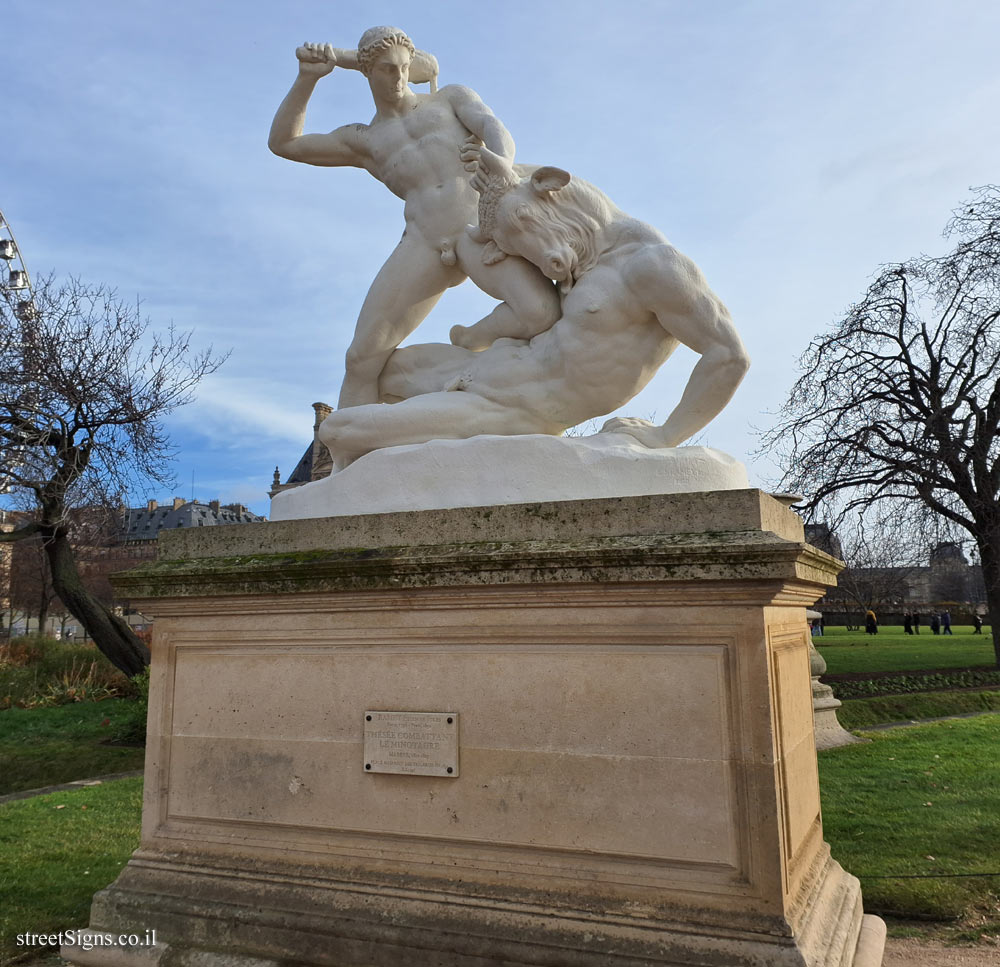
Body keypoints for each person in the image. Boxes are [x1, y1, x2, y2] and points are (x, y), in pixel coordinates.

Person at [318, 154, 750, 464]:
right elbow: (476, 242)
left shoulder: (652, 266)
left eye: (522, 223)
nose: (539, 258)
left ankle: (348, 500)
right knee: (379, 368)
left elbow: (728, 355)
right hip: (492, 368)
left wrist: (666, 435)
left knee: (338, 429)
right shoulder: (580, 263)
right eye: (512, 240)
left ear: (550, 189)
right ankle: (357, 495)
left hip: (516, 410)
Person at [268, 27, 561, 410]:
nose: (399, 77)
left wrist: (501, 164)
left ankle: (471, 338)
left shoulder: (448, 99)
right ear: (367, 71)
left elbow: (492, 125)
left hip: (479, 228)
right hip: (425, 241)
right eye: (387, 69)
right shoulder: (363, 140)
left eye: (404, 67)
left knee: (540, 312)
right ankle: (348, 461)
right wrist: (308, 78)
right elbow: (284, 143)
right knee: (361, 358)